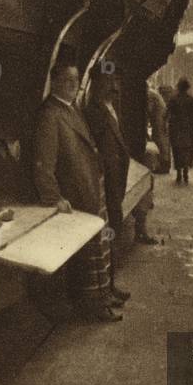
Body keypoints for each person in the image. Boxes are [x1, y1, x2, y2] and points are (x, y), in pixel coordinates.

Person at [33, 62, 121, 323]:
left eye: (76, 80)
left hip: (88, 189)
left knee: (96, 252)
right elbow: (43, 164)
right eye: (68, 80)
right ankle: (92, 307)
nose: (74, 85)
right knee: (87, 258)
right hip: (75, 195)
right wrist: (53, 199)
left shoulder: (69, 109)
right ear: (55, 81)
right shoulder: (50, 114)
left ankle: (102, 298)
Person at [84, 67, 133, 305]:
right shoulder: (93, 111)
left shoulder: (111, 108)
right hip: (107, 184)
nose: (113, 86)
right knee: (108, 234)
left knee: (112, 234)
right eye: (107, 81)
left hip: (116, 182)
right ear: (97, 84)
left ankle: (110, 286)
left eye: (114, 80)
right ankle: (106, 289)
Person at [166, 78, 193, 184]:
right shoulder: (191, 99)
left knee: (177, 151)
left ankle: (179, 174)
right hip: (188, 129)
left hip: (176, 129)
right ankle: (185, 172)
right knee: (187, 150)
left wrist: (164, 124)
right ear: (187, 88)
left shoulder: (173, 99)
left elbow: (167, 112)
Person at [146, 83, 171, 174]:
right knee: (162, 139)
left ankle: (164, 166)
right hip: (161, 116)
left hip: (160, 117)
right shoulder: (152, 93)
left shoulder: (148, 94)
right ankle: (164, 164)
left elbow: (149, 109)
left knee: (160, 139)